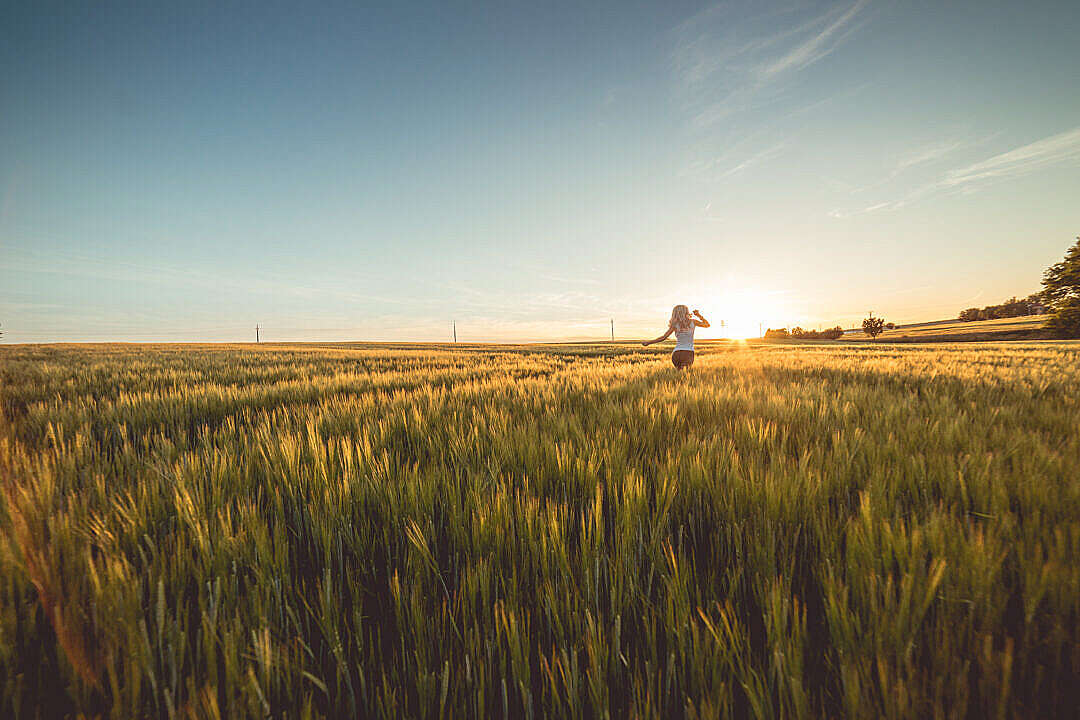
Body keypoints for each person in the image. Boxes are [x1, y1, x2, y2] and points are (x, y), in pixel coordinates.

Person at [641, 305, 710, 369]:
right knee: (685, 377)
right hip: (688, 353)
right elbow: (707, 325)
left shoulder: (675, 325)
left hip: (676, 353)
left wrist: (648, 342)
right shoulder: (693, 322)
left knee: (679, 375)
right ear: (686, 312)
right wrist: (699, 315)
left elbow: (664, 337)